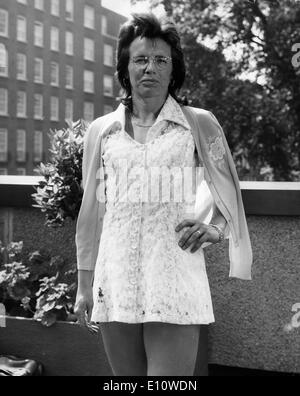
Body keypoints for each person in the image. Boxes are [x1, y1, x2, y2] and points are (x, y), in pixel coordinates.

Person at [74, 13, 253, 376]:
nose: (150, 68)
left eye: (161, 60)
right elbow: (90, 213)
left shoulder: (198, 123)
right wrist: (84, 285)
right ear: (126, 67)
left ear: (174, 70)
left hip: (174, 277)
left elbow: (228, 191)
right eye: (140, 59)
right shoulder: (101, 132)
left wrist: (216, 229)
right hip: (116, 277)